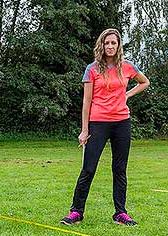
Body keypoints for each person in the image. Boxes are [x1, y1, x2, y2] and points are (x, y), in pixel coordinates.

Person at [61, 28, 150, 226]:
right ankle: (76, 212)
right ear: (101, 45)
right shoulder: (92, 69)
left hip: (122, 122)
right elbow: (87, 101)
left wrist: (126, 95)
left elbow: (144, 82)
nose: (110, 46)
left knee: (120, 169)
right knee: (89, 168)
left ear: (118, 46)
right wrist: (85, 130)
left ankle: (120, 213)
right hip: (98, 122)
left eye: (114, 43)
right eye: (107, 43)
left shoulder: (127, 67)